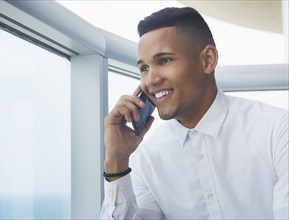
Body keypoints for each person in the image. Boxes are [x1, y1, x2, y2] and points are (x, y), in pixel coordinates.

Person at [100, 7, 288, 220]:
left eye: (164, 61)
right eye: (144, 68)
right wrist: (116, 162)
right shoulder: (145, 160)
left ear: (208, 60)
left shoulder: (278, 131)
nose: (150, 80)